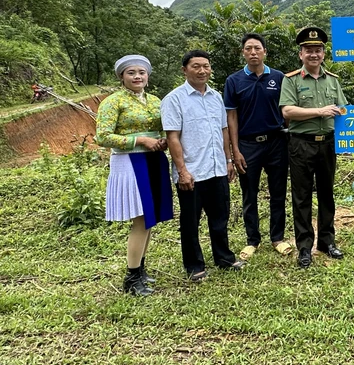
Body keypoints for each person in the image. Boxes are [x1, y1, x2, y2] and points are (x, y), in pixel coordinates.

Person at [160, 50, 246, 282]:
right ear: (185, 70)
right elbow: (173, 137)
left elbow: (223, 130)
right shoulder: (174, 99)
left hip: (217, 168)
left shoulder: (216, 97)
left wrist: (228, 160)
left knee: (220, 217)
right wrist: (183, 170)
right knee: (190, 221)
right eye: (196, 66)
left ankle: (224, 258)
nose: (202, 70)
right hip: (192, 172)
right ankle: (194, 265)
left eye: (206, 66)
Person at [95, 55, 173, 296]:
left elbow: (163, 128)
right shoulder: (113, 102)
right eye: (131, 73)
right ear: (121, 77)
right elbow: (103, 136)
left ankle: (140, 269)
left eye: (141, 72)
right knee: (140, 218)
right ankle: (131, 277)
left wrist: (161, 140)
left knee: (150, 218)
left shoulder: (155, 101)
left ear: (148, 76)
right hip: (130, 161)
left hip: (153, 159)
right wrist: (139, 139)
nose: (137, 76)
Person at [279, 26, 348, 269]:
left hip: (327, 144)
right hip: (301, 145)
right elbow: (287, 111)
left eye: (317, 50)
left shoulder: (333, 80)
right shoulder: (291, 80)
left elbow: (342, 109)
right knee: (302, 197)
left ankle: (327, 242)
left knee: (327, 194)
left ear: (323, 54)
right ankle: (305, 247)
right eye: (308, 50)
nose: (313, 54)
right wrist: (319, 111)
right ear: (301, 54)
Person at [224, 33, 291, 261]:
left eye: (257, 48)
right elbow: (231, 118)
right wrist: (235, 151)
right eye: (248, 48)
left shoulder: (280, 77)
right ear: (243, 52)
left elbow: (287, 111)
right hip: (247, 145)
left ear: (265, 52)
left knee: (278, 192)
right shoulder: (234, 81)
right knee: (249, 194)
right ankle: (252, 240)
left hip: (276, 142)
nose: (253, 52)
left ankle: (278, 238)